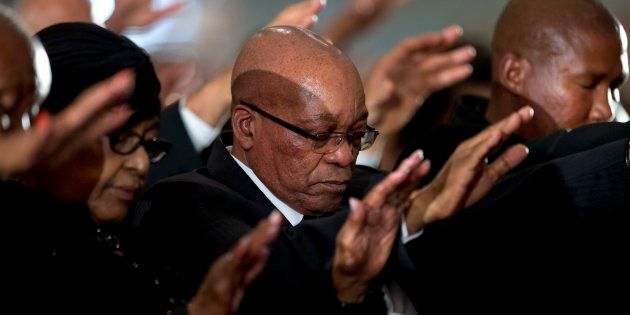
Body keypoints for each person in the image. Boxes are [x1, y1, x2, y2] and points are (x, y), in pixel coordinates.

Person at [137, 25, 532, 314]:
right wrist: (410, 217)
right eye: (319, 134)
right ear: (246, 126)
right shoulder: (184, 202)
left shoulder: (363, 191)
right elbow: (271, 274)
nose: (345, 156)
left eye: (357, 134)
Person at [3, 20, 280, 315]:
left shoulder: (154, 231)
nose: (140, 163)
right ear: (41, 127)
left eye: (148, 143)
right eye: (120, 139)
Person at [397, 0, 628, 177]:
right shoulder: (437, 161)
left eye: (615, 87)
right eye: (588, 85)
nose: (606, 110)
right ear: (514, 73)